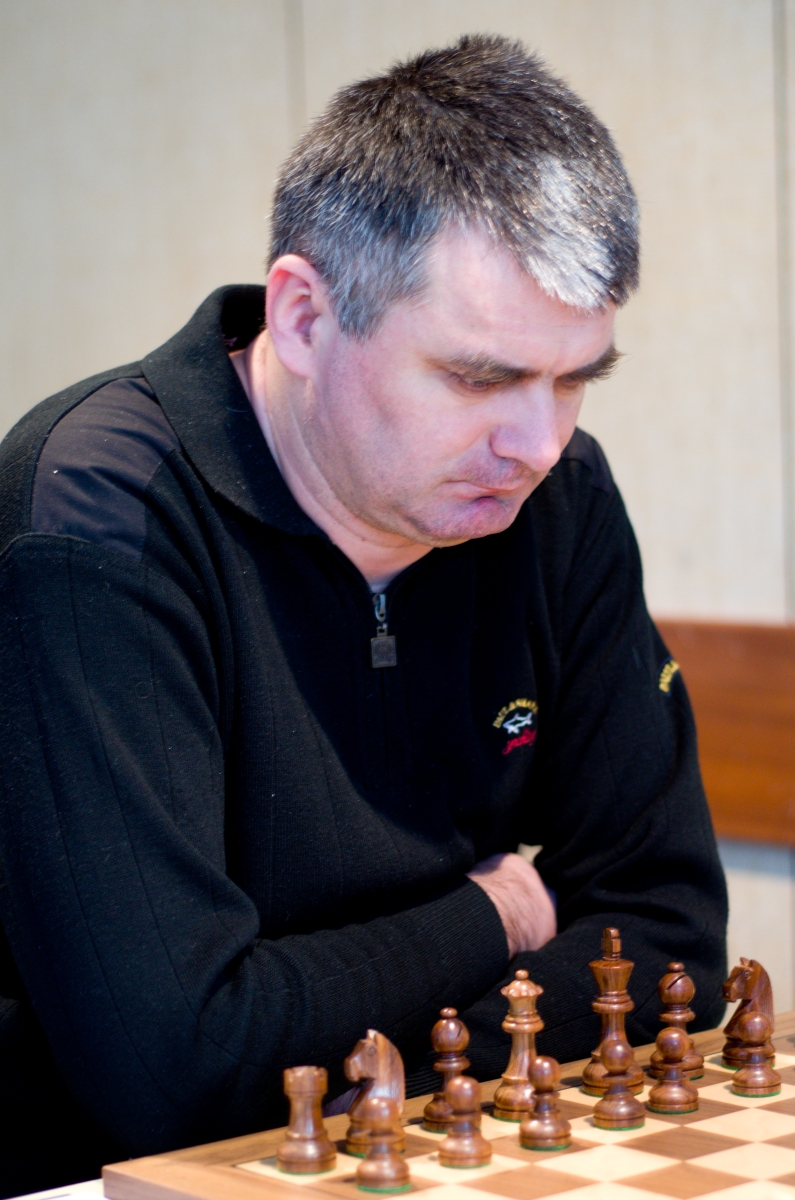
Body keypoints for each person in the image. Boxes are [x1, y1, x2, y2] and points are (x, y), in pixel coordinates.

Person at [0, 34, 727, 1198]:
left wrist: (413, 1077)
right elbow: (170, 1064)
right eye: (481, 378)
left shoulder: (559, 501)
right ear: (302, 317)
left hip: (421, 1153)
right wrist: (492, 917)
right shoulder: (97, 515)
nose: (539, 444)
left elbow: (666, 928)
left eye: (576, 378)